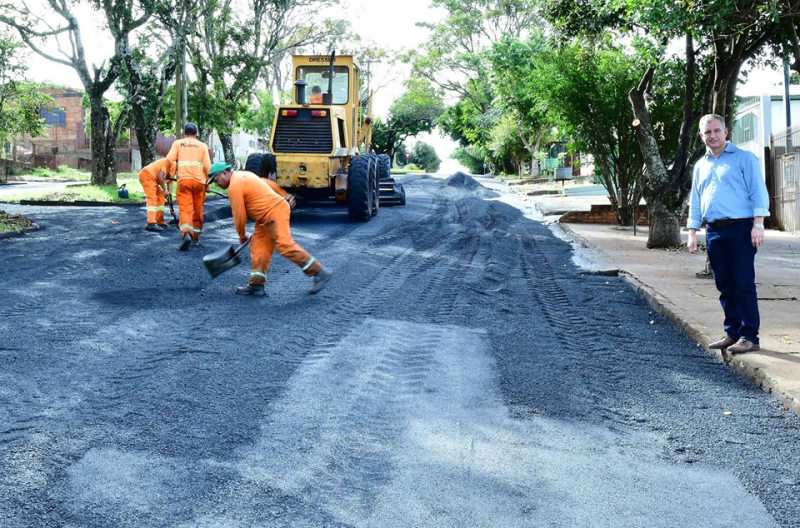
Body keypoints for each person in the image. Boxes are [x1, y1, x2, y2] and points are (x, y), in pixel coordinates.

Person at [687, 113, 771, 354]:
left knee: (743, 282)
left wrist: (759, 224)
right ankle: (732, 333)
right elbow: (696, 200)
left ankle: (749, 336)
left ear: (726, 132)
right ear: (701, 136)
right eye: (707, 132)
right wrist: (693, 232)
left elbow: (758, 192)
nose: (712, 135)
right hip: (713, 230)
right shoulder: (700, 165)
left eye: (716, 130)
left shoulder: (744, 159)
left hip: (741, 228)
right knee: (724, 283)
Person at [207, 162, 332, 296]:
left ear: (225, 173)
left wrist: (242, 235)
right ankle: (256, 284)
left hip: (273, 212)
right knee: (259, 248)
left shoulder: (234, 186)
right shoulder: (244, 175)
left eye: (216, 179)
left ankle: (319, 272)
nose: (216, 183)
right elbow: (265, 182)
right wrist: (284, 194)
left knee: (284, 244)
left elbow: (239, 216)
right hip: (264, 218)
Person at [166, 122, 212, 250]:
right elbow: (208, 167)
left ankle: (186, 232)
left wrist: (169, 173)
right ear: (196, 133)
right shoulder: (202, 146)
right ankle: (196, 238)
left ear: (184, 133)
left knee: (186, 209)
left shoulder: (178, 144)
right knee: (198, 210)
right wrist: (207, 184)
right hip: (199, 183)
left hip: (184, 182)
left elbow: (169, 159)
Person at [138, 158, 172, 231]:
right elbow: (160, 176)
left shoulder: (175, 169)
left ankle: (159, 221)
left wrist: (170, 200)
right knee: (152, 198)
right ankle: (151, 223)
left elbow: (170, 182)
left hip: (152, 178)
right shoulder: (172, 163)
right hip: (147, 175)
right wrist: (164, 190)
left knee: (160, 197)